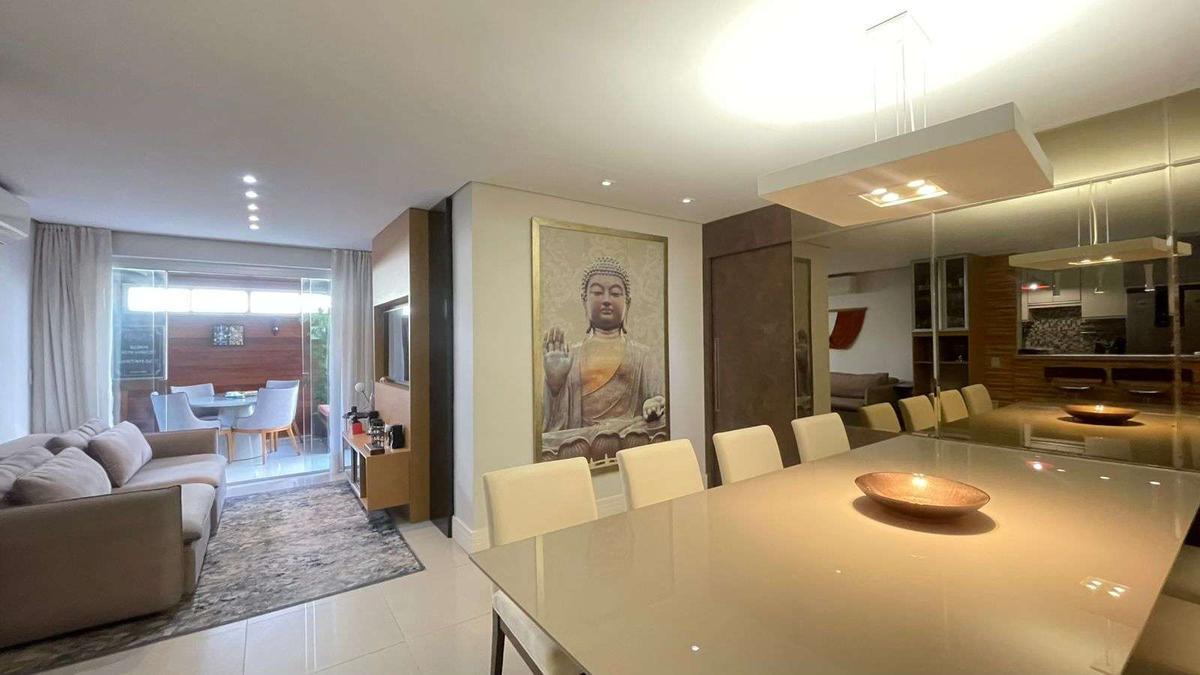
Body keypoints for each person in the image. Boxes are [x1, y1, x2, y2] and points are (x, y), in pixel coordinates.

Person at [542, 256, 665, 440]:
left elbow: (658, 400)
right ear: (584, 300)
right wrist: (555, 384)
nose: (606, 300)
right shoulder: (571, 355)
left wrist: (654, 404)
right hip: (582, 439)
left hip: (630, 433)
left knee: (661, 426)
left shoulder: (642, 355)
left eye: (615, 294)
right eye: (598, 292)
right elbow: (555, 425)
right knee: (549, 442)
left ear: (627, 303)